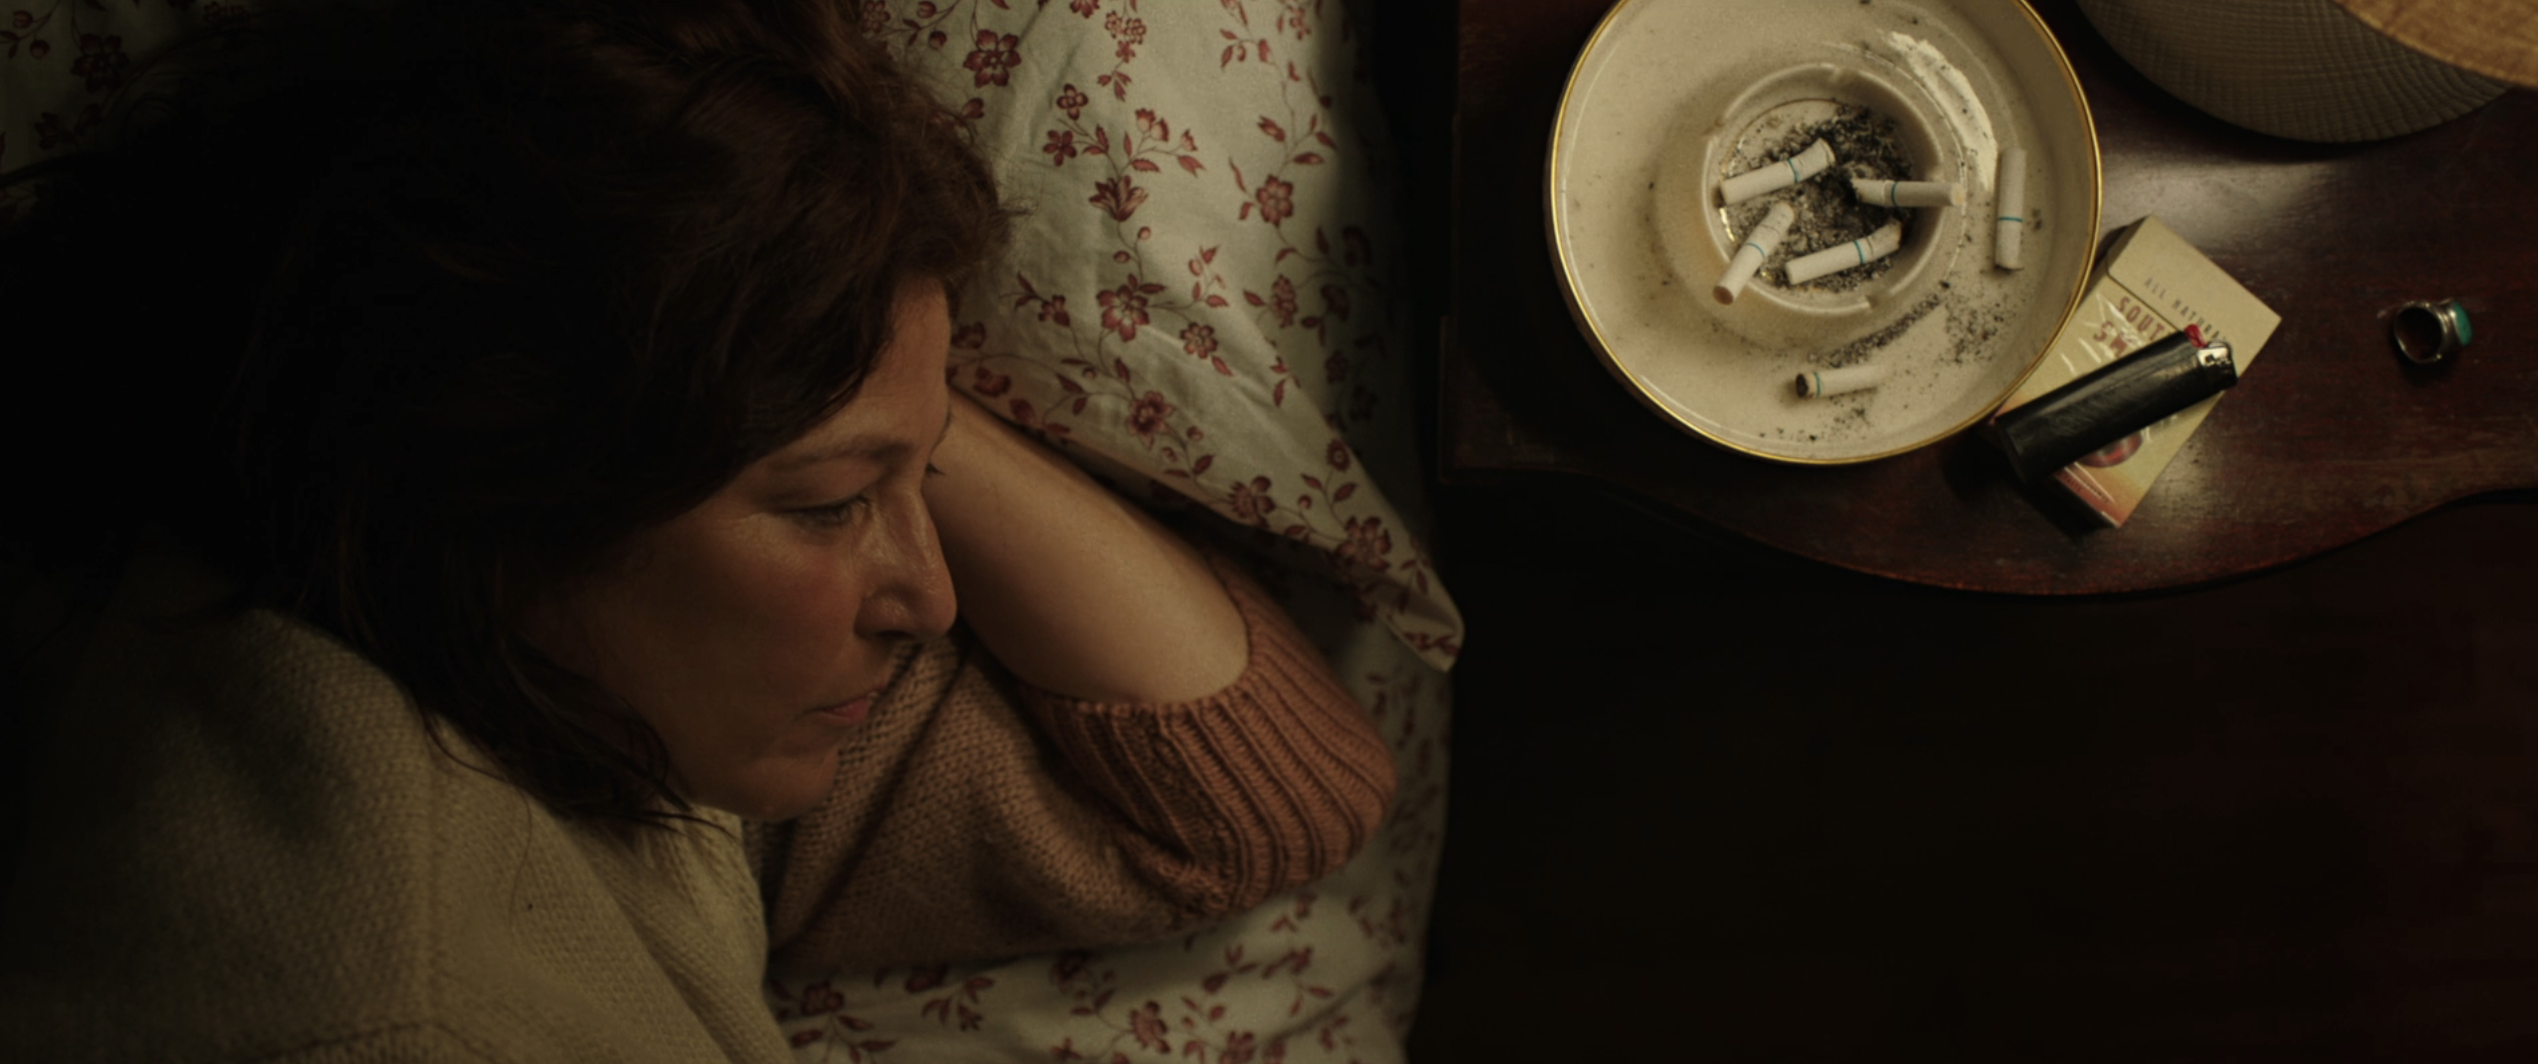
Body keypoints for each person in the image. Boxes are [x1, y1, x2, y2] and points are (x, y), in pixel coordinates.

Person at [0, 0, 1395, 1059]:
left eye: (920, 479)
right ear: (503, 472)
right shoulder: (387, 998)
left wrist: (871, 391)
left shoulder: (527, 660)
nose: (929, 596)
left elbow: (1252, 801)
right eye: (831, 505)